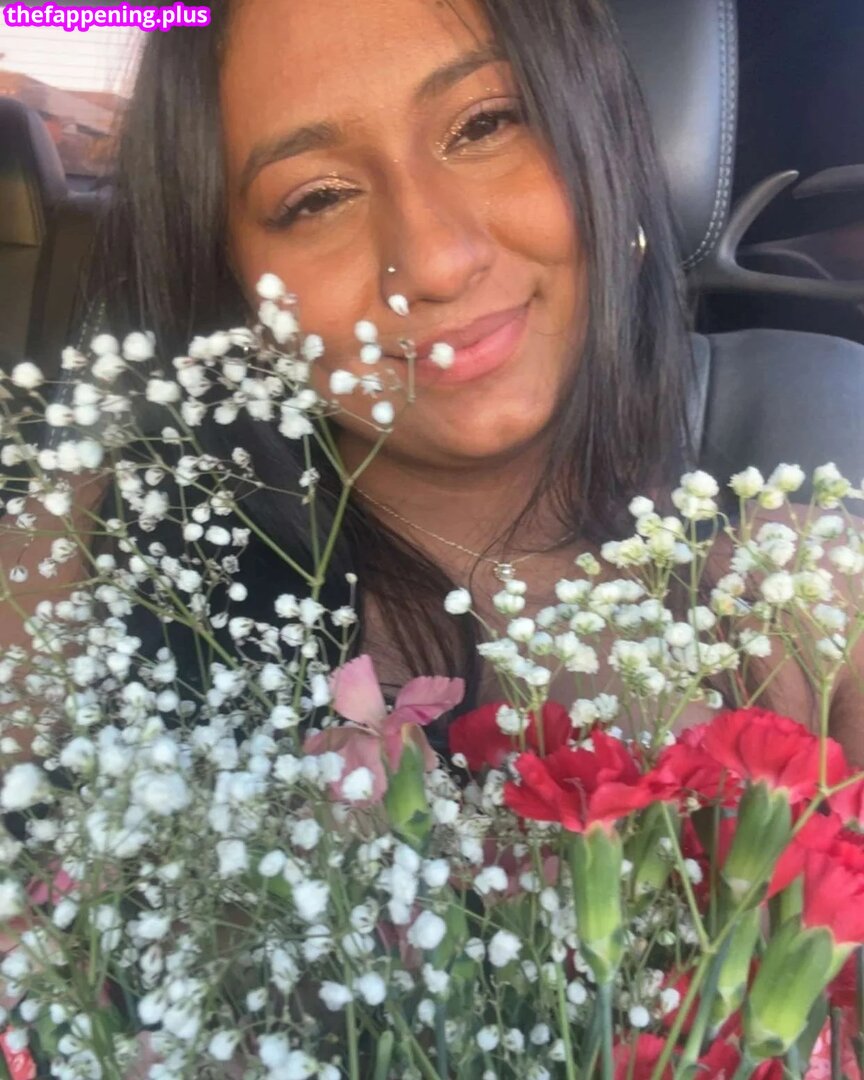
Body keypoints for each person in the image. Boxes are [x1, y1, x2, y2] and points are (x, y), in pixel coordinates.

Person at [7, 0, 864, 760]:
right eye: (317, 198)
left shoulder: (815, 599)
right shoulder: (75, 568)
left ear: (600, 138)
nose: (436, 261)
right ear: (233, 281)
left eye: (485, 125)